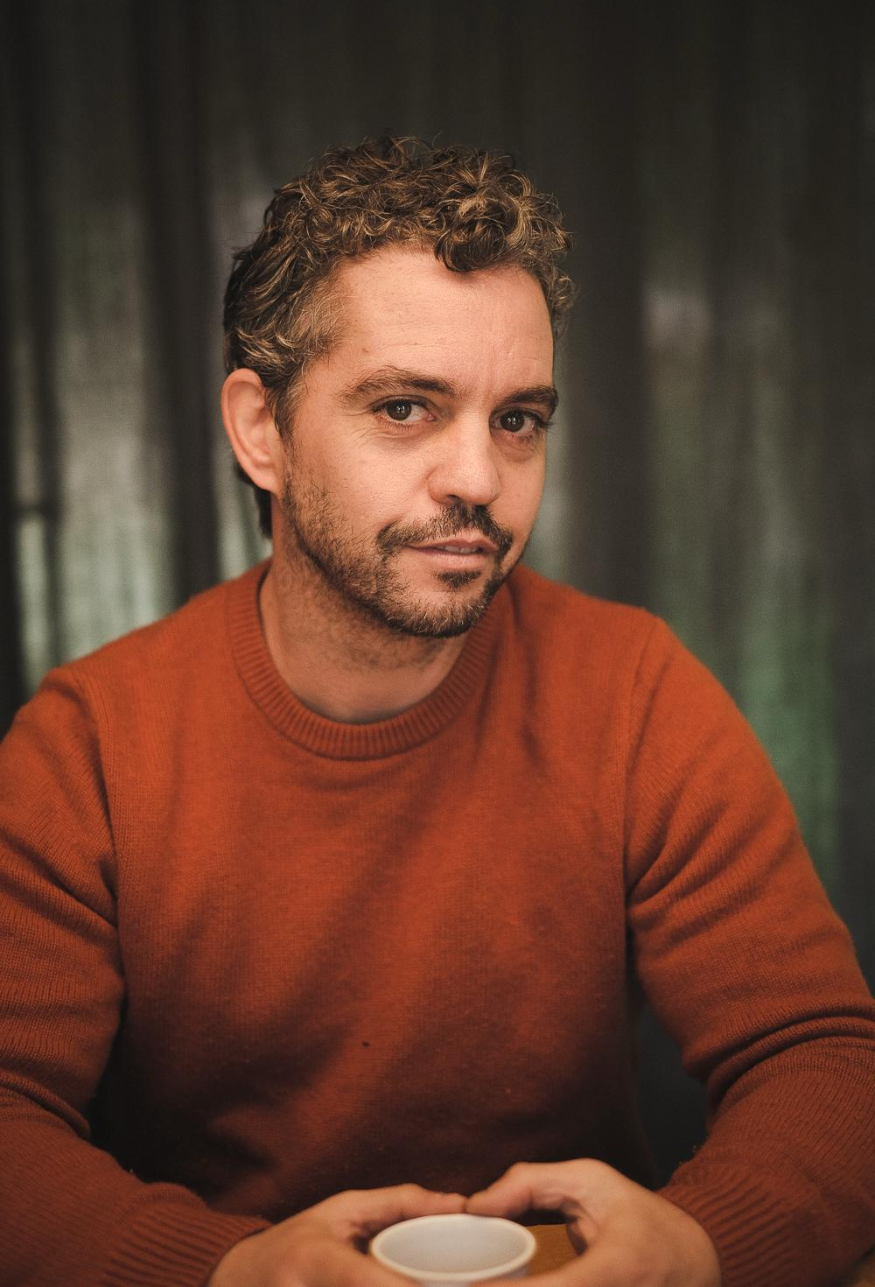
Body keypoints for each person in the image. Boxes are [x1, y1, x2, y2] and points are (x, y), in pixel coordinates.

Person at [0, 137, 873, 1287]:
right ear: (261, 429)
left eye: (517, 419)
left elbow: (821, 1056)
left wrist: (702, 1243)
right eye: (406, 406)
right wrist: (226, 1271)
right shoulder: (90, 745)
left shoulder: (632, 693)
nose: (477, 476)